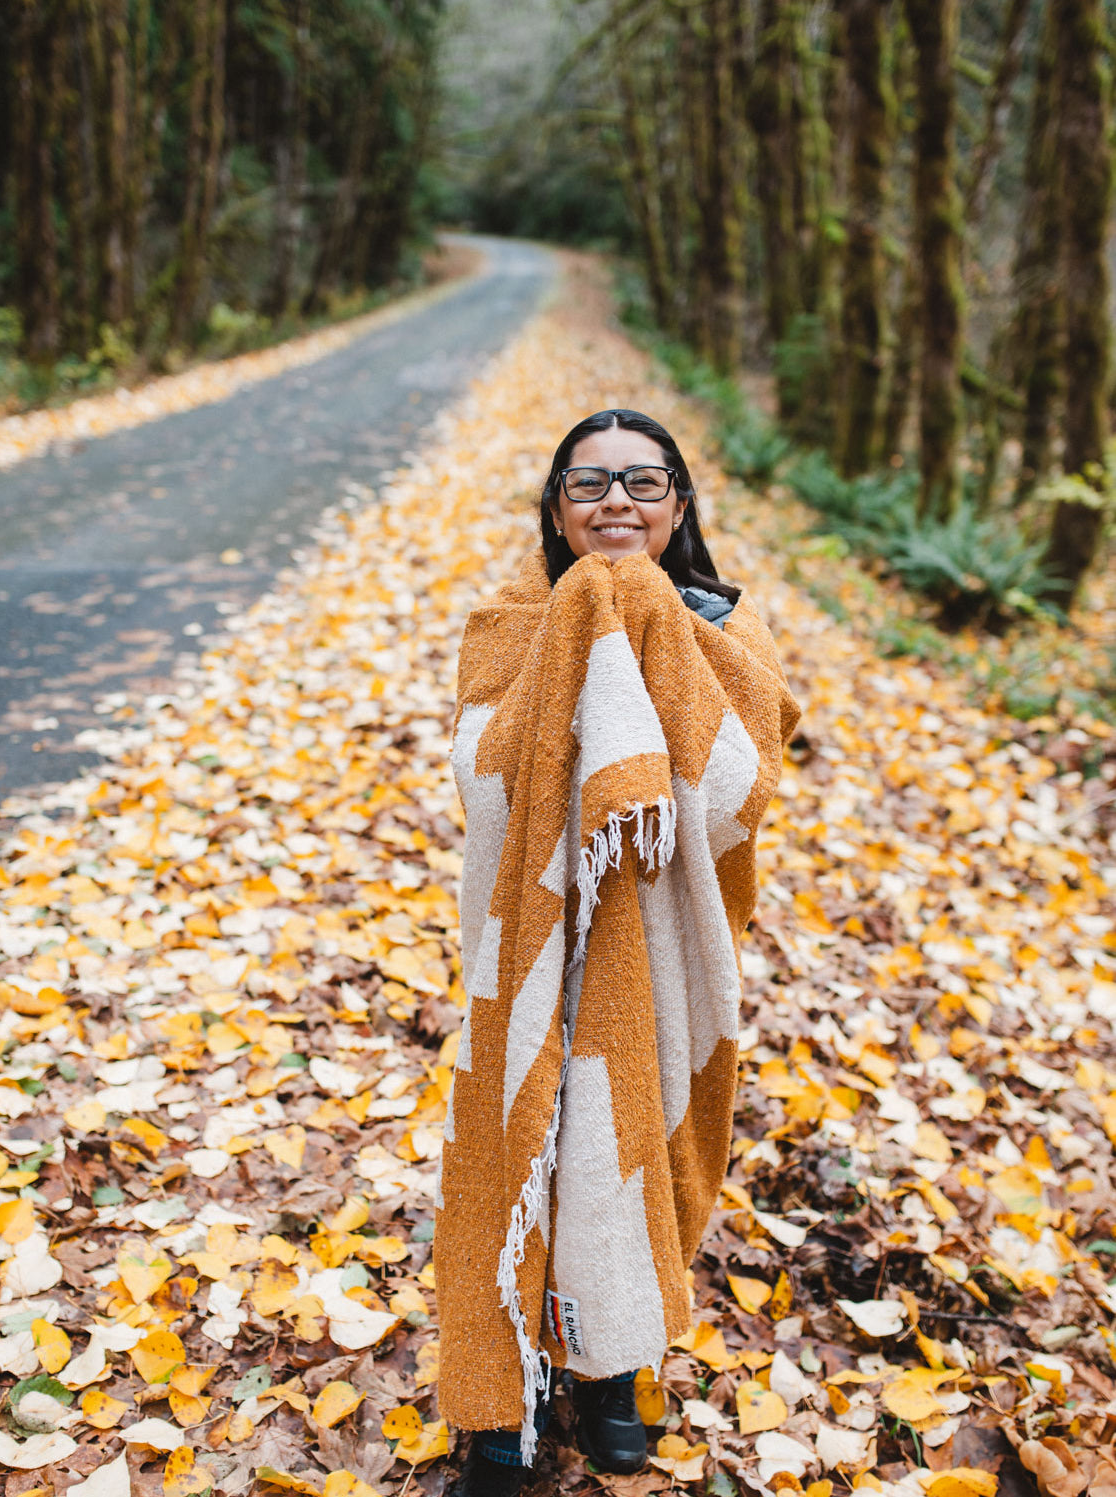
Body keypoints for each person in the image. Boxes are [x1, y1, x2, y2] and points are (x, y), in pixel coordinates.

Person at [434, 410, 802, 1495]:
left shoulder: (728, 633)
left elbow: (742, 793)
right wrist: (587, 634)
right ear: (555, 510)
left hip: (659, 943)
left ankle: (605, 1366)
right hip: (531, 934)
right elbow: (481, 777)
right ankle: (500, 1397)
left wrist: (649, 624)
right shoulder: (510, 624)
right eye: (588, 484)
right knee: (512, 1134)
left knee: (620, 1141)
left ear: (680, 507)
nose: (616, 503)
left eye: (644, 482)